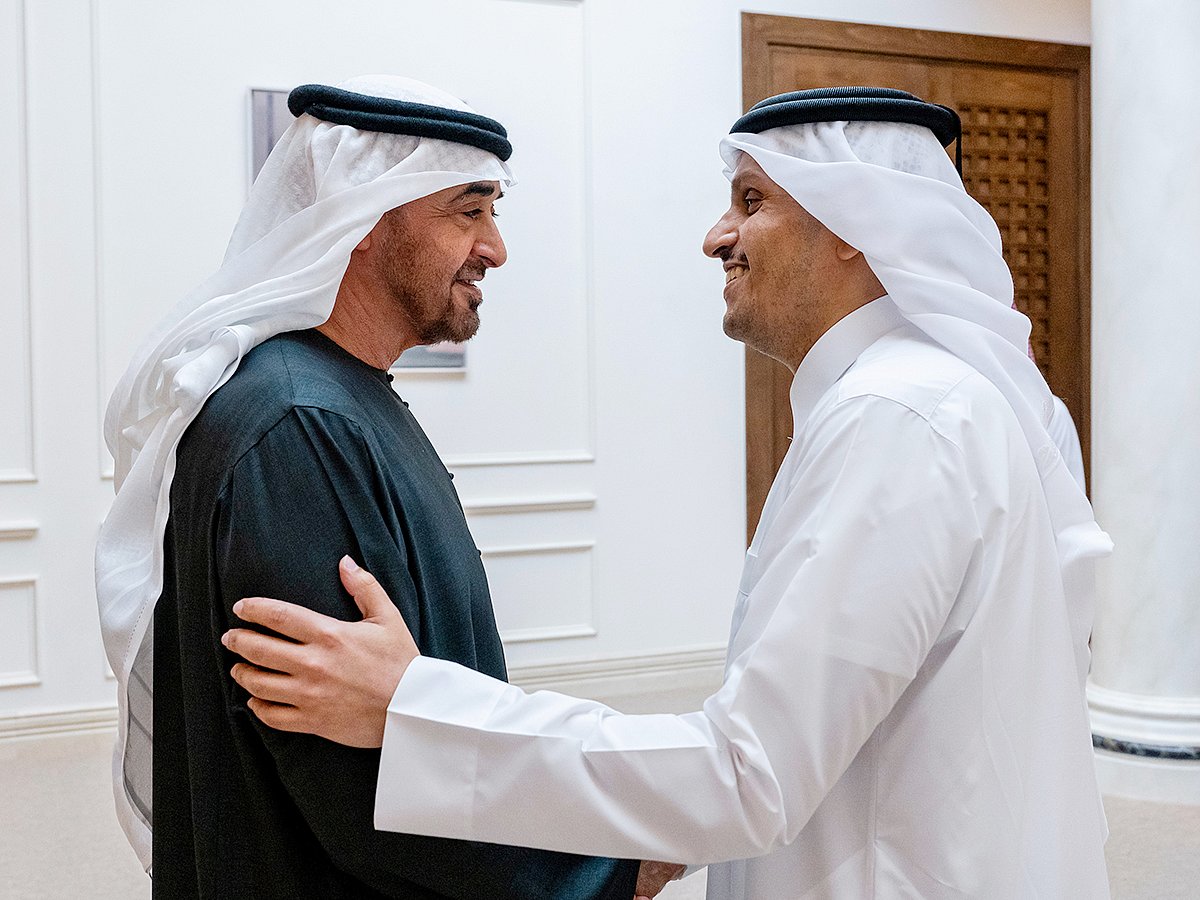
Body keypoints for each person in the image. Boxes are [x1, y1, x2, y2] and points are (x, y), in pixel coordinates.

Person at [224, 88, 1115, 899]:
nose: (716, 235)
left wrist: (415, 709)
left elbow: (750, 773)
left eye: (752, 201)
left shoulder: (900, 418)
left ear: (855, 222)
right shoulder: (919, 401)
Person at [96, 76, 641, 898]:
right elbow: (358, 784)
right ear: (362, 222)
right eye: (469, 210)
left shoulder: (334, 396)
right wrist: (600, 873)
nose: (495, 247)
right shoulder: (297, 426)